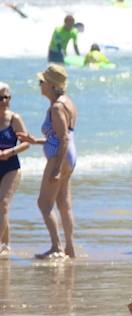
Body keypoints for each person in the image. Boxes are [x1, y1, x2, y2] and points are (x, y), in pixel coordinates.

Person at [22, 65, 78, 259]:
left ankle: (57, 247)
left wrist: (55, 167)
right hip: (69, 155)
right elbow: (59, 136)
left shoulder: (56, 107)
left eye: (42, 82)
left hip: (59, 157)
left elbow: (62, 139)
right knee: (63, 203)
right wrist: (34, 140)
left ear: (52, 85)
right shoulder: (66, 102)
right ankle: (70, 248)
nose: (40, 85)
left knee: (44, 203)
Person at [0, 82, 31, 258]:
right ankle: (6, 246)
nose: (4, 101)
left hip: (11, 166)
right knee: (0, 209)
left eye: (7, 97)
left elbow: (27, 142)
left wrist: (9, 152)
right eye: (0, 98)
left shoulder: (14, 119)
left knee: (3, 204)